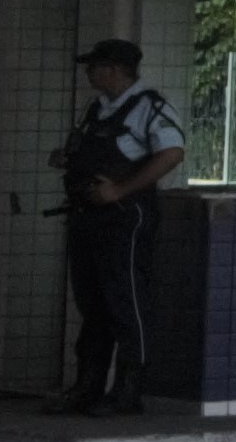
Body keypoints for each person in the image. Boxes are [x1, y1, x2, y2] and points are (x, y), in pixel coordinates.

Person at [49, 39, 183, 416]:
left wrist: (119, 190)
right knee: (92, 304)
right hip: (86, 215)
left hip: (124, 217)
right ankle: (87, 387)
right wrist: (67, 160)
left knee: (126, 303)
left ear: (114, 69)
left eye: (94, 66)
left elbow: (172, 151)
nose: (88, 73)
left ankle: (127, 390)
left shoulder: (148, 106)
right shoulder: (95, 108)